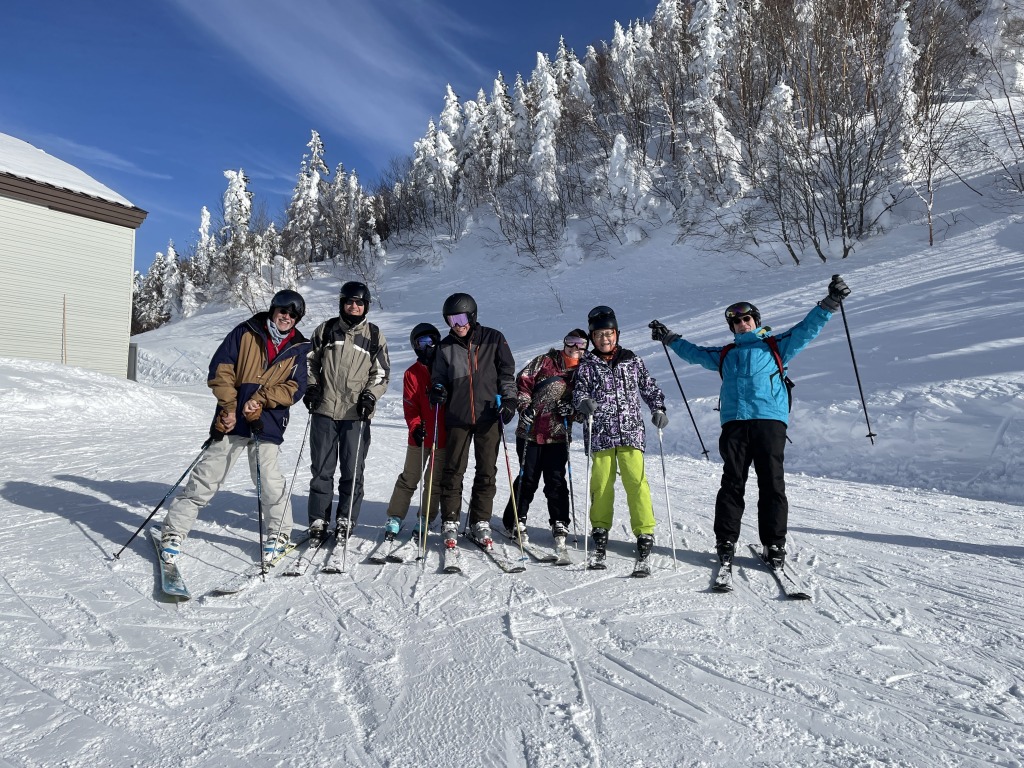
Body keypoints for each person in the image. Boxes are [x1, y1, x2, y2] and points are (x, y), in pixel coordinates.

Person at [649, 276, 852, 569]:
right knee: (732, 483)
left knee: (772, 483)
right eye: (736, 321)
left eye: (747, 319)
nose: (742, 324)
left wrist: (830, 302)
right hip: (734, 424)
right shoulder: (726, 354)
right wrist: (669, 337)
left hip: (769, 422)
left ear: (756, 321)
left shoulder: (776, 346)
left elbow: (806, 329)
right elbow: (694, 353)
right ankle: (726, 540)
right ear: (732, 327)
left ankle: (774, 543)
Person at [159, 289, 310, 565]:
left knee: (269, 481)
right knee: (206, 477)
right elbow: (221, 370)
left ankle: (278, 533)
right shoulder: (245, 332)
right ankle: (174, 531)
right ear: (273, 309)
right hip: (232, 420)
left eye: (292, 314)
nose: (286, 317)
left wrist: (261, 398)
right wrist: (229, 407)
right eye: (283, 311)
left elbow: (295, 387)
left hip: (267, 422)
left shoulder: (298, 348)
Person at [572, 306, 667, 562]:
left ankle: (644, 530)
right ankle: (600, 527)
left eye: (609, 333)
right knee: (601, 483)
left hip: (630, 432)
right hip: (601, 434)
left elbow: (648, 387)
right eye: (599, 335)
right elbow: (578, 392)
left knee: (636, 482)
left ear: (617, 334)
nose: (605, 339)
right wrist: (583, 402)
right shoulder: (587, 366)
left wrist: (658, 408)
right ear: (592, 338)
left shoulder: (631, 360)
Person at [304, 280, 390, 544]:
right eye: (349, 302)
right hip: (325, 410)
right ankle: (319, 519)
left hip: (356, 413)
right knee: (322, 469)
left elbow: (381, 374)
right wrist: (312, 387)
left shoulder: (374, 336)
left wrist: (369, 396)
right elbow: (309, 362)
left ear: (366, 306)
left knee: (352, 471)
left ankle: (346, 517)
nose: (354, 306)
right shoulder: (326, 330)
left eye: (359, 302)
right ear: (342, 303)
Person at [429, 292, 517, 549]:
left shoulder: (494, 338)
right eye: (451, 320)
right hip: (457, 416)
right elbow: (438, 378)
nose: (458, 325)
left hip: (489, 415)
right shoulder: (445, 347)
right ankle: (450, 519)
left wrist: (509, 400)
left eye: (461, 318)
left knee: (487, 470)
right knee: (453, 469)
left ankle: (480, 519)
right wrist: (437, 389)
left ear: (472, 316)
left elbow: (506, 373)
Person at [501, 328, 589, 545]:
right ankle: (515, 519)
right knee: (528, 477)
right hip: (530, 431)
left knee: (556, 479)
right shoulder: (545, 361)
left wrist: (573, 411)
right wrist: (524, 406)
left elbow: (585, 407)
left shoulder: (585, 372)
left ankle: (560, 520)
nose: (575, 347)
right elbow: (523, 382)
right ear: (564, 342)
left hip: (558, 434)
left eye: (580, 344)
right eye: (571, 341)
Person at [383, 322, 447, 537]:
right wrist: (416, 427)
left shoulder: (447, 369)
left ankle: (426, 517)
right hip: (420, 437)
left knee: (433, 481)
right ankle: (395, 515)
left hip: (442, 437)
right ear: (415, 346)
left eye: (431, 341)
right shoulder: (412, 373)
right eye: (422, 343)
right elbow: (410, 406)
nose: (427, 347)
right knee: (409, 477)